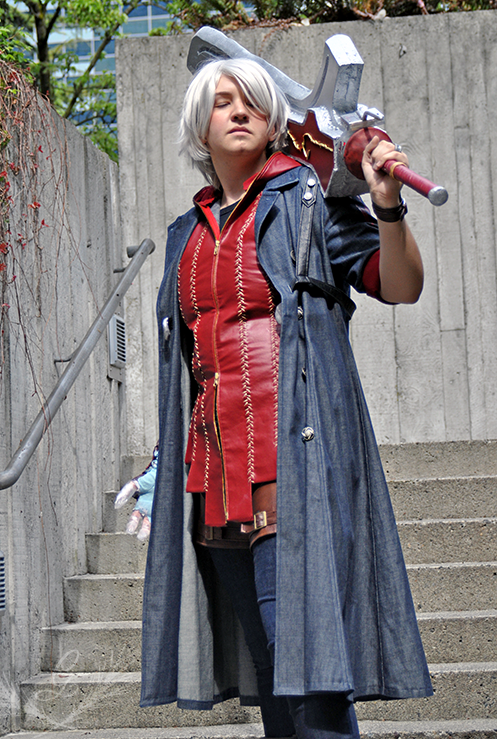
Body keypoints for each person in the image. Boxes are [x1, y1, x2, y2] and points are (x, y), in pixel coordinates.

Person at [139, 56, 433, 739]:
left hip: (293, 471)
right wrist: (163, 465)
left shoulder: (310, 201)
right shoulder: (186, 235)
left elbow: (399, 284)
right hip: (213, 485)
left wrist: (387, 205)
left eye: (252, 101)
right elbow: (186, 365)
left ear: (275, 122)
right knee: (275, 682)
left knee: (311, 683)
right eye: (222, 102)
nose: (239, 111)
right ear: (200, 128)